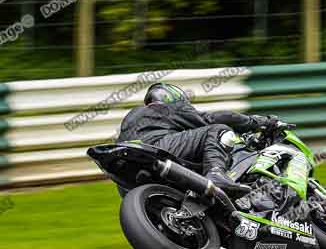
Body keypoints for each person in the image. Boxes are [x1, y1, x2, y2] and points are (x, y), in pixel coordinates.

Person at [117, 82, 276, 196]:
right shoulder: (167, 107)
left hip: (127, 170)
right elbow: (212, 119)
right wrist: (257, 122)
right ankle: (216, 174)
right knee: (217, 130)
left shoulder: (131, 117)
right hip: (157, 148)